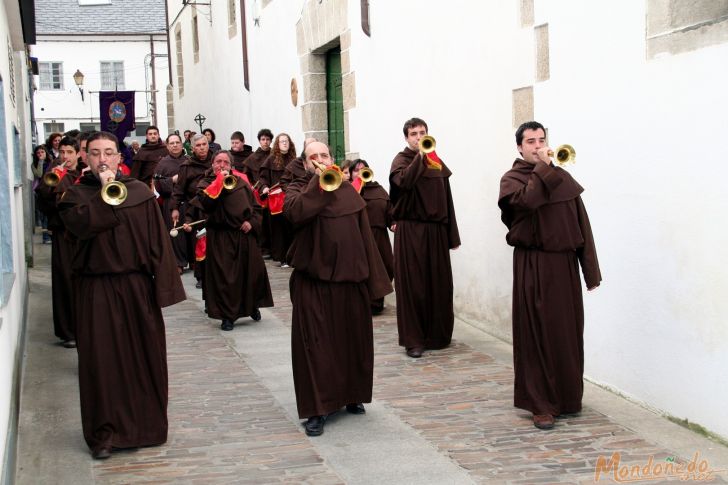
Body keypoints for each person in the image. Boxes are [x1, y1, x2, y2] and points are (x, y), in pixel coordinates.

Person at [58, 131, 185, 460]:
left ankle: (147, 427)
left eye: (109, 153)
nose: (103, 159)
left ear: (119, 157)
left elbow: (159, 243)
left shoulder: (140, 193)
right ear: (86, 157)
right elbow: (81, 228)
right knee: (102, 364)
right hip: (96, 289)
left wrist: (164, 290)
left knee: (145, 358)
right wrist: (103, 193)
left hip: (136, 288)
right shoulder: (74, 196)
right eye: (96, 153)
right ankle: (105, 433)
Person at [284, 141, 392, 437]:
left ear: (332, 158)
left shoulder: (348, 192)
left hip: (350, 283)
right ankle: (317, 409)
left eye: (324, 155)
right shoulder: (297, 189)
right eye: (313, 157)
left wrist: (374, 283)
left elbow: (364, 238)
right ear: (305, 164)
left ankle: (351, 395)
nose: (320, 160)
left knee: (352, 344)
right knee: (314, 349)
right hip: (314, 284)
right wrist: (318, 186)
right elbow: (293, 214)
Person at [498, 121, 601, 430]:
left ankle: (568, 399)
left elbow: (582, 225)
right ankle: (540, 404)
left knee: (566, 334)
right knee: (537, 334)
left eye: (542, 139)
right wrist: (544, 170)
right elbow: (526, 204)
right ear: (519, 147)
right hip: (534, 264)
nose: (538, 145)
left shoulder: (562, 178)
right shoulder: (511, 179)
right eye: (531, 141)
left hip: (565, 267)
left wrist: (590, 271)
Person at [389, 117, 460, 358]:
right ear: (406, 138)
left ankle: (437, 336)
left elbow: (447, 198)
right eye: (414, 134)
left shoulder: (436, 162)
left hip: (436, 231)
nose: (419, 137)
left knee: (438, 284)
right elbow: (404, 182)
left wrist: (452, 235)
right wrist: (420, 157)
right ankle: (414, 340)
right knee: (413, 286)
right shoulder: (401, 160)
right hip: (411, 230)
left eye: (422, 132)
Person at [192, 150, 274, 331]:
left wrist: (251, 223)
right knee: (225, 278)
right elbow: (206, 204)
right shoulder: (205, 184)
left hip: (244, 235)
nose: (222, 165)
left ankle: (251, 306)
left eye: (225, 162)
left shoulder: (242, 183)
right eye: (218, 162)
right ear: (212, 165)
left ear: (231, 166)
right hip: (220, 237)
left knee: (251, 274)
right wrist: (218, 183)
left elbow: (255, 207)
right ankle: (227, 316)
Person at [35, 136, 83, 348]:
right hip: (62, 233)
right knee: (64, 278)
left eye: (70, 153)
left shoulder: (83, 173)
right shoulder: (54, 171)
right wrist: (52, 180)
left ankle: (85, 326)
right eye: (62, 153)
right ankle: (68, 331)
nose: (66, 157)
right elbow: (43, 199)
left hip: (82, 233)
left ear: (77, 154)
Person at [351, 159, 394, 314]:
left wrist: (393, 222)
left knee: (385, 267)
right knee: (363, 270)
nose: (360, 172)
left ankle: (377, 302)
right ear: (350, 173)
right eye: (356, 170)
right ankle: (363, 303)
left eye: (363, 169)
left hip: (379, 236)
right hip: (358, 237)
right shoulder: (348, 191)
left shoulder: (379, 190)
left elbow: (390, 210)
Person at [171, 133, 214, 290]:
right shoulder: (186, 166)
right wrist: (175, 208)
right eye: (198, 145)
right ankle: (201, 275)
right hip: (195, 209)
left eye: (204, 144)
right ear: (193, 148)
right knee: (199, 243)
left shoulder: (216, 161)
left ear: (208, 144)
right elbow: (179, 189)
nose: (202, 148)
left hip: (215, 207)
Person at [259, 133, 296, 265]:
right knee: (279, 230)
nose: (285, 143)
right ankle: (282, 257)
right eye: (282, 142)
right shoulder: (271, 160)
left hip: (291, 197)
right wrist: (264, 187)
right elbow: (262, 178)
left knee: (291, 228)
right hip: (276, 199)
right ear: (277, 144)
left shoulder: (294, 159)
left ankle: (293, 257)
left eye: (286, 141)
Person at [155, 133, 190, 273]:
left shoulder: (189, 160)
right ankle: (178, 263)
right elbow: (158, 185)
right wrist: (172, 180)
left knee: (191, 231)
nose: (175, 145)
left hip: (189, 201)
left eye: (177, 142)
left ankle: (194, 261)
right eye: (172, 143)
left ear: (182, 144)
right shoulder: (162, 163)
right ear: (167, 146)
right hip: (171, 202)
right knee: (175, 234)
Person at [31, 145, 52, 243]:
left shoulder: (51, 161)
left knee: (51, 215)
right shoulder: (34, 164)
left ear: (46, 152)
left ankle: (51, 235)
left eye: (42, 152)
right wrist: (40, 161)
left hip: (50, 190)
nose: (40, 154)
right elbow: (39, 174)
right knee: (43, 215)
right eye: (38, 153)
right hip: (40, 191)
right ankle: (45, 238)